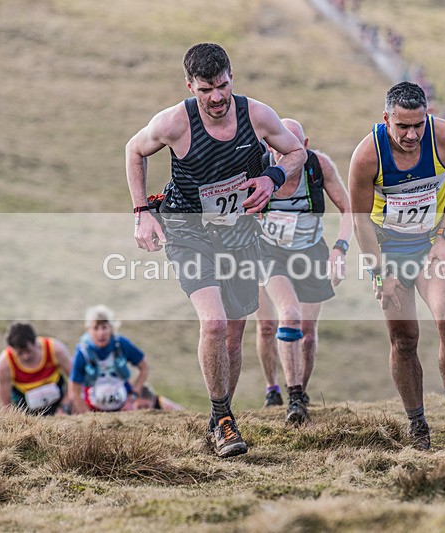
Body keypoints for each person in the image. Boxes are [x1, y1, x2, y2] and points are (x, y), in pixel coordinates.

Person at [124, 43, 306, 458]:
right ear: (190, 86)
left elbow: (296, 151)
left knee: (234, 334)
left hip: (240, 234)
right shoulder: (174, 122)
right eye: (206, 90)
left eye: (222, 86)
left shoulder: (256, 115)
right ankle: (224, 421)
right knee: (215, 323)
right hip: (188, 231)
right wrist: (141, 213)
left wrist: (271, 178)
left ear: (231, 78)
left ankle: (217, 412)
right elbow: (133, 150)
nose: (217, 97)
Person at [348, 81, 445, 451]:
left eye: (418, 124)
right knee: (404, 340)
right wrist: (379, 272)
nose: (411, 134)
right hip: (389, 250)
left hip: (432, 244)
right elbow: (360, 222)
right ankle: (418, 426)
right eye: (402, 126)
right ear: (385, 118)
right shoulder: (366, 157)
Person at [255, 118, 353, 423]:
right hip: (270, 253)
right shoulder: (257, 166)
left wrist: (339, 249)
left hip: (310, 252)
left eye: (294, 148)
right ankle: (279, 390)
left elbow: (348, 209)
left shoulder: (318, 166)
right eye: (280, 149)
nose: (286, 156)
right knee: (282, 318)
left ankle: (300, 394)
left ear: (305, 146)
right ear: (271, 146)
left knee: (308, 334)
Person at [68, 305, 149, 414]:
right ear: (89, 330)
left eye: (104, 327)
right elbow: (74, 391)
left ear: (111, 328)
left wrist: (133, 395)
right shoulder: (82, 352)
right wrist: (88, 416)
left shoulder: (121, 344)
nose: (101, 333)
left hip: (124, 408)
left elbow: (144, 368)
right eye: (96, 328)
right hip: (94, 409)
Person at [0, 322, 73, 415]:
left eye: (28, 351)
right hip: (27, 411)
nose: (25, 356)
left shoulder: (55, 350)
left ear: (35, 341)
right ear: (11, 348)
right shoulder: (3, 365)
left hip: (59, 405)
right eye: (20, 353)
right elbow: (5, 405)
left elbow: (75, 380)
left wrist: (64, 406)